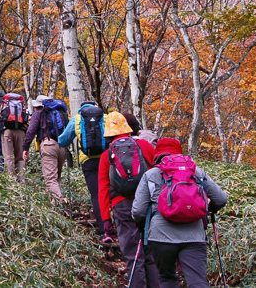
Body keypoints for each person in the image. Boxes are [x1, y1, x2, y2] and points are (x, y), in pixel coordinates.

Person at [131, 138, 228, 288]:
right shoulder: (197, 173)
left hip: (161, 236)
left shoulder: (151, 175)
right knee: (197, 281)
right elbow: (221, 199)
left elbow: (138, 211)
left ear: (157, 154)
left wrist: (142, 225)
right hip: (194, 236)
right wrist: (207, 211)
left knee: (166, 277)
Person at [99, 111, 160, 288]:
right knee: (150, 254)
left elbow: (103, 189)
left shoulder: (107, 155)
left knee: (133, 256)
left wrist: (105, 221)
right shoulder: (146, 147)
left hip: (122, 207)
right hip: (148, 206)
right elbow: (158, 174)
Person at [59, 100, 113, 241]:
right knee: (112, 192)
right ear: (96, 107)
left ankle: (104, 231)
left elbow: (63, 140)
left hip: (88, 161)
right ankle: (117, 225)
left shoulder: (77, 119)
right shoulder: (106, 117)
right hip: (107, 160)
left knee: (96, 195)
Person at [23, 96, 69, 201]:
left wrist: (25, 147)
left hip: (48, 145)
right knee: (56, 177)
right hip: (62, 146)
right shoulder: (60, 113)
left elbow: (31, 131)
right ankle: (54, 206)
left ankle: (60, 202)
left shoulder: (38, 114)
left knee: (50, 179)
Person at [0, 91, 28, 181]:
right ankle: (20, 179)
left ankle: (11, 180)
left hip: (7, 131)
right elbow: (28, 119)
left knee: (8, 157)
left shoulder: (2, 105)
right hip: (21, 132)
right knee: (20, 158)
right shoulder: (22, 105)